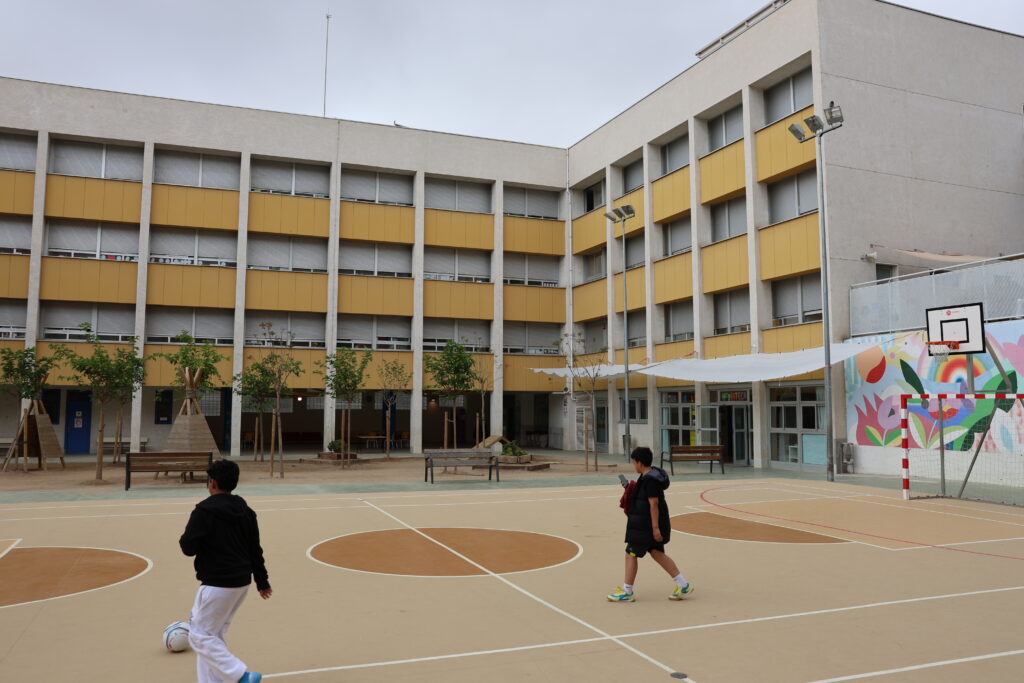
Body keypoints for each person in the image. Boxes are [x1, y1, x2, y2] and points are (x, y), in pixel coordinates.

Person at [180, 459, 271, 683]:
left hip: (217, 583)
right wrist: (262, 581)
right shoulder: (246, 512)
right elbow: (255, 549)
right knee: (213, 634)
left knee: (199, 636)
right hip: (241, 583)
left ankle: (240, 675)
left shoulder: (203, 511)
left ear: (212, 482)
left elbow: (187, 547)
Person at [608, 446, 693, 602]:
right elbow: (645, 496)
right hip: (647, 524)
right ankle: (683, 584)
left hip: (646, 526)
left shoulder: (650, 480)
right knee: (656, 552)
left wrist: (655, 529)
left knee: (630, 554)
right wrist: (629, 488)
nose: (633, 465)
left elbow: (653, 504)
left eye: (634, 462)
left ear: (640, 463)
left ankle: (627, 591)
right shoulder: (648, 476)